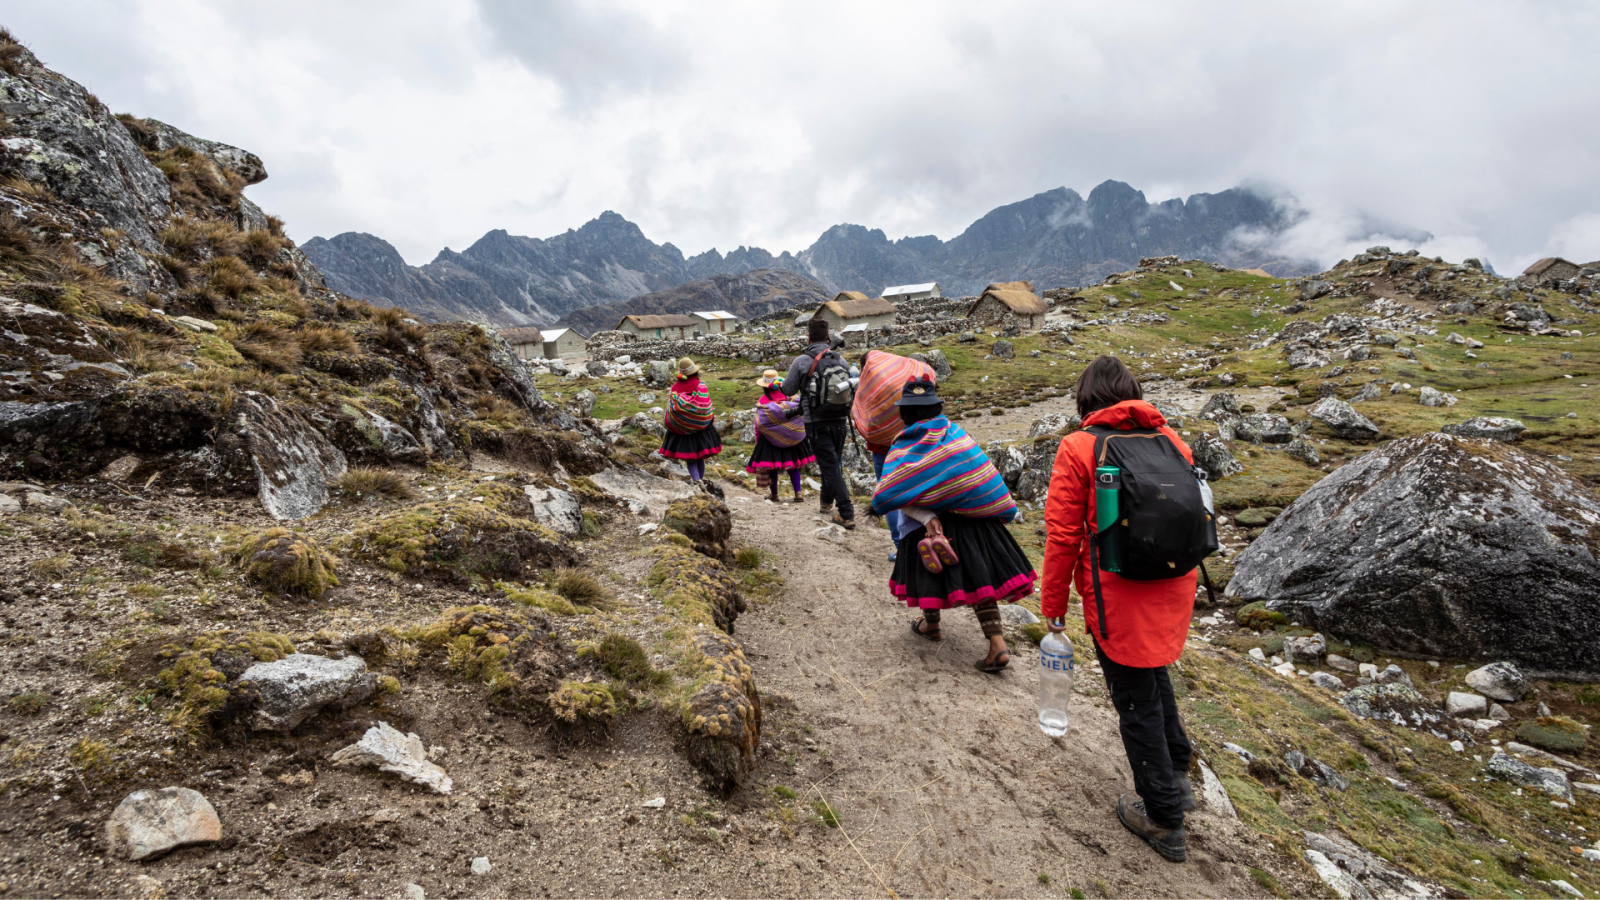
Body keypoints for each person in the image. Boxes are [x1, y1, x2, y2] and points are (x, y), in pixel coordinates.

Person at [1040, 355, 1199, 863]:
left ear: (1086, 399)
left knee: (1135, 701)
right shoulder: (1171, 440)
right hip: (1174, 583)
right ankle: (1177, 774)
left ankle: (1164, 818)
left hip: (1117, 595)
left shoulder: (1080, 447)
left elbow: (1063, 536)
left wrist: (1053, 607)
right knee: (1155, 674)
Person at [871, 377, 1037, 673]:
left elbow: (893, 494)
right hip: (972, 522)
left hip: (927, 527)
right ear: (937, 408)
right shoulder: (957, 435)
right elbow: (979, 476)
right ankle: (996, 644)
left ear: (904, 414)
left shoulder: (903, 446)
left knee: (927, 566)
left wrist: (927, 517)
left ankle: (931, 624)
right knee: (980, 579)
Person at [781, 318, 855, 529]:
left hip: (816, 422)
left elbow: (788, 390)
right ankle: (825, 503)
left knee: (830, 466)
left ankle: (847, 513)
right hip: (840, 420)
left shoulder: (802, 361)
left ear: (808, 336)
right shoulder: (841, 361)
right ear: (828, 336)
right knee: (833, 462)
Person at [745, 368, 814, 503]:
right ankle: (798, 493)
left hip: (770, 440)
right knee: (794, 465)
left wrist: (759, 443)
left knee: (772, 467)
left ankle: (774, 495)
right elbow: (800, 413)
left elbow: (759, 424)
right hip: (792, 437)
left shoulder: (763, 401)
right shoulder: (790, 397)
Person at [658, 357, 721, 481]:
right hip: (701, 429)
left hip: (681, 431)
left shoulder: (674, 388)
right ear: (695, 372)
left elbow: (670, 410)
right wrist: (709, 420)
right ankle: (701, 481)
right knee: (699, 458)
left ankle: (697, 482)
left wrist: (676, 423)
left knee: (690, 459)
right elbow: (706, 406)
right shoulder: (700, 385)